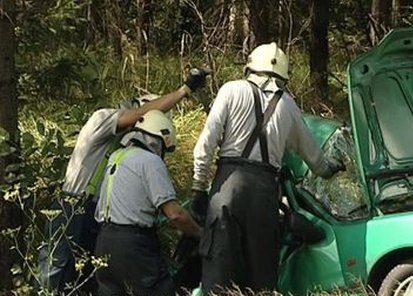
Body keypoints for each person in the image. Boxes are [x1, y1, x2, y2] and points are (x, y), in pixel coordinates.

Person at [191, 42, 345, 294]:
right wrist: (331, 169)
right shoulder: (289, 106)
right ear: (283, 75)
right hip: (264, 195)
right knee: (262, 275)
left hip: (227, 187)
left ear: (250, 67)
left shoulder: (231, 90)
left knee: (218, 268)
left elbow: (206, 143)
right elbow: (314, 158)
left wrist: (198, 187)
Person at [38, 68, 209, 294]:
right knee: (57, 277)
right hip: (75, 208)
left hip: (99, 220)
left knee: (86, 283)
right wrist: (184, 90)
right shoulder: (101, 120)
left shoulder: (127, 151)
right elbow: (140, 114)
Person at [94, 109, 202, 296]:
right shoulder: (150, 161)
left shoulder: (117, 156)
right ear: (159, 139)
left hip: (104, 242)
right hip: (133, 246)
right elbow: (175, 214)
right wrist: (200, 233)